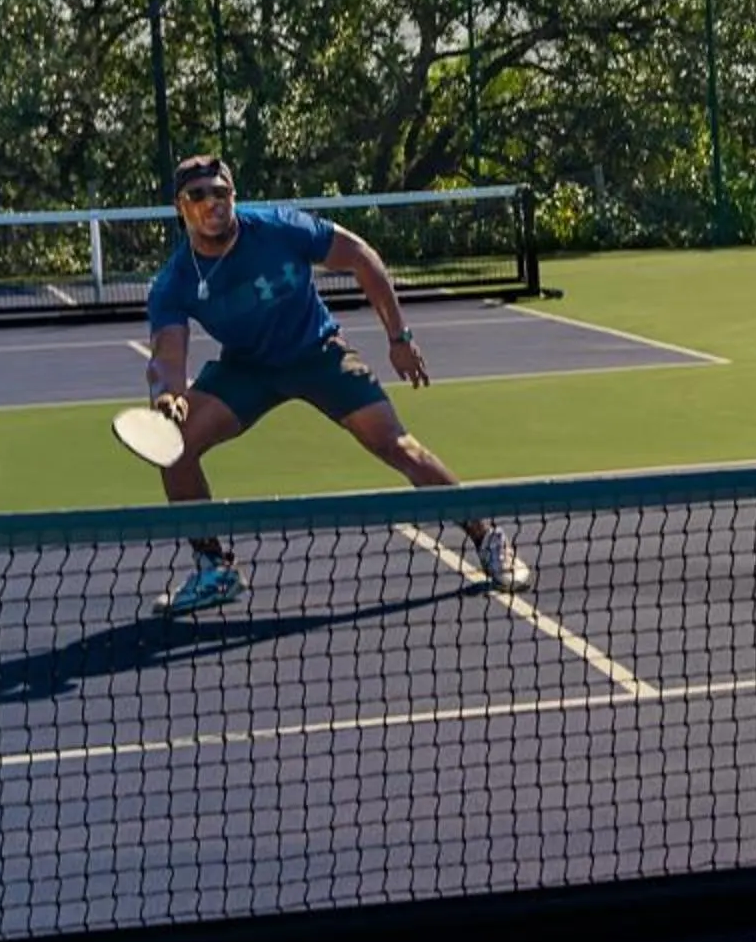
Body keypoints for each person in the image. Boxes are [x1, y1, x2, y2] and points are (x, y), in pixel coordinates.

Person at [141, 153, 531, 615]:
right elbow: (167, 356)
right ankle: (214, 568)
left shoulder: (279, 228)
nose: (212, 203)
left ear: (234, 195)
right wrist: (167, 396)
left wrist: (399, 338)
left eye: (220, 192)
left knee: (397, 445)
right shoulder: (174, 281)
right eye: (198, 195)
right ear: (180, 206)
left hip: (317, 352)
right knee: (173, 446)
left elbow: (361, 257)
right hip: (247, 368)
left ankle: (487, 537)